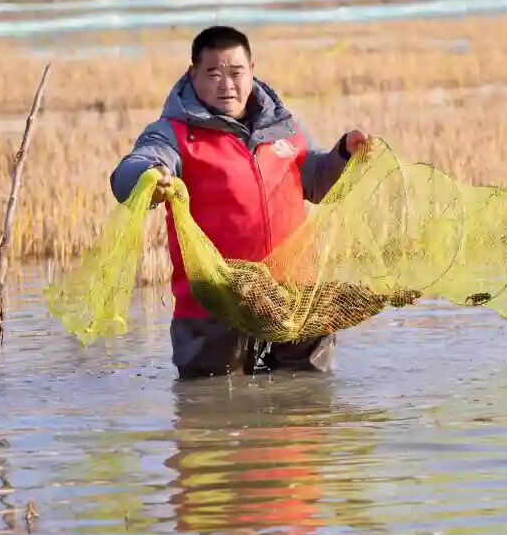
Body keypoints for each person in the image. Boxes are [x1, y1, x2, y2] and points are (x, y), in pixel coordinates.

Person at [110, 26, 371, 378]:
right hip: (214, 307)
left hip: (294, 298)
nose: (226, 84)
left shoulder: (284, 127)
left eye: (236, 73)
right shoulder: (173, 132)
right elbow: (130, 170)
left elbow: (317, 183)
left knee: (307, 410)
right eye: (213, 73)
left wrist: (343, 154)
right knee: (213, 411)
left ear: (252, 70)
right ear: (193, 75)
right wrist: (151, 176)